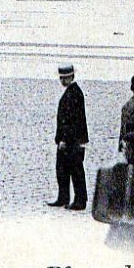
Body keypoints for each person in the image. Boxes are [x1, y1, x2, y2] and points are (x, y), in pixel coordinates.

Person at [50, 63, 88, 210]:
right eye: (61, 78)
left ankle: (79, 200)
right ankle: (64, 197)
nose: (62, 81)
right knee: (63, 169)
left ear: (71, 77)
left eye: (64, 78)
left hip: (72, 140)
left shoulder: (73, 93)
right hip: (72, 139)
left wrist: (63, 139)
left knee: (75, 170)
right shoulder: (73, 92)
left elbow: (71, 120)